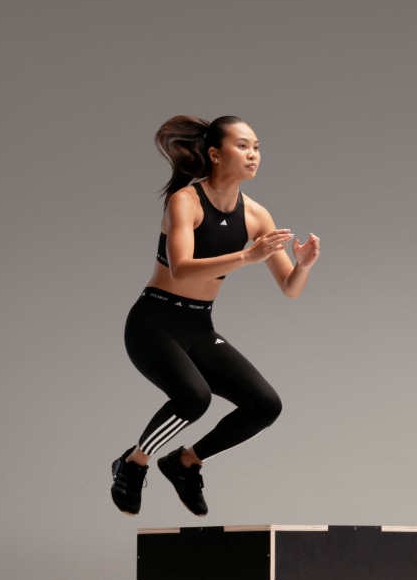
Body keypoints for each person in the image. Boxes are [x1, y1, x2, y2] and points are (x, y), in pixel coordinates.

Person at [110, 114, 318, 517]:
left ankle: (185, 462)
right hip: (154, 322)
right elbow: (180, 267)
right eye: (242, 145)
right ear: (214, 154)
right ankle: (133, 463)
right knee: (194, 398)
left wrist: (304, 264)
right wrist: (245, 256)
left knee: (265, 405)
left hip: (198, 325)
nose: (253, 154)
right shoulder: (185, 201)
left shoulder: (256, 215)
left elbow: (290, 288)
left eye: (256, 146)